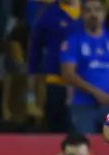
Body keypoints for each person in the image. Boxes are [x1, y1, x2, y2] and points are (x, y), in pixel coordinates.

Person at [28, 0, 81, 132]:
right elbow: (35, 52)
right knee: (57, 130)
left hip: (89, 86)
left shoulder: (92, 11)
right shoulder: (49, 13)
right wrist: (30, 93)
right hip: (57, 82)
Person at [61, 0, 109, 134]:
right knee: (83, 145)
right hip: (83, 105)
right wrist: (97, 93)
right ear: (82, 14)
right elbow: (68, 74)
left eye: (98, 10)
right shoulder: (74, 40)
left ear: (104, 13)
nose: (94, 14)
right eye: (88, 10)